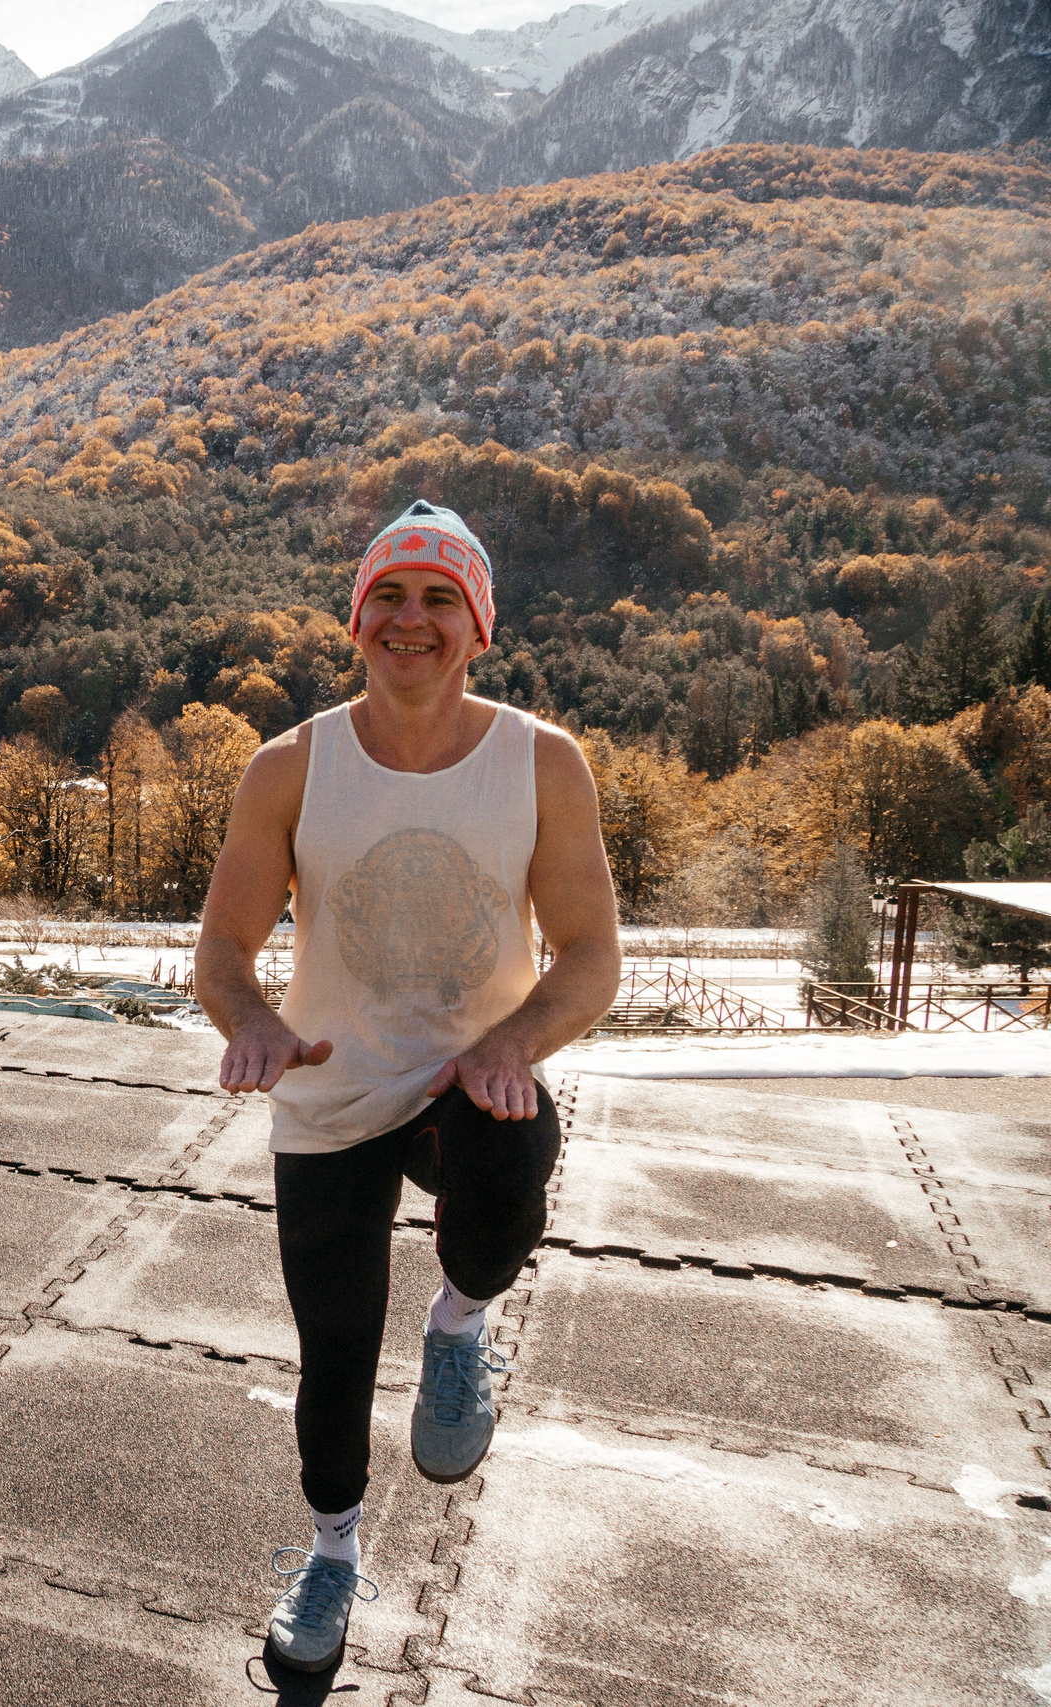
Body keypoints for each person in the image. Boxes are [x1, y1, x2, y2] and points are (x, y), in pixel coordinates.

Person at [194, 500, 620, 1674]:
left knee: (509, 1146)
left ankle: (460, 1321)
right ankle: (331, 1556)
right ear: (357, 620)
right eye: (389, 594)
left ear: (477, 625)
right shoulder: (290, 765)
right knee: (331, 1354)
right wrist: (255, 1024)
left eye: (439, 598)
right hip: (330, 1095)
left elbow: (590, 955)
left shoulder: (540, 763)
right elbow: (222, 950)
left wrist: (510, 1045)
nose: (410, 619)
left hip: (463, 1087)